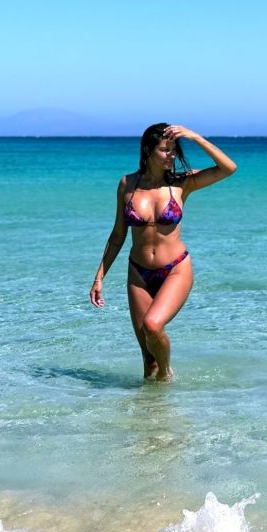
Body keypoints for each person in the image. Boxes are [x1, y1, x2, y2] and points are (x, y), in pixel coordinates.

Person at [89, 123, 237, 381]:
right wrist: (99, 277)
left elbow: (228, 168)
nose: (172, 155)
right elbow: (117, 235)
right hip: (139, 274)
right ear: (148, 150)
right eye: (165, 150)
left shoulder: (182, 183)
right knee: (148, 361)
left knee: (152, 326)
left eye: (174, 150)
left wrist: (195, 137)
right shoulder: (127, 184)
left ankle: (166, 375)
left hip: (175, 269)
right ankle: (154, 403)